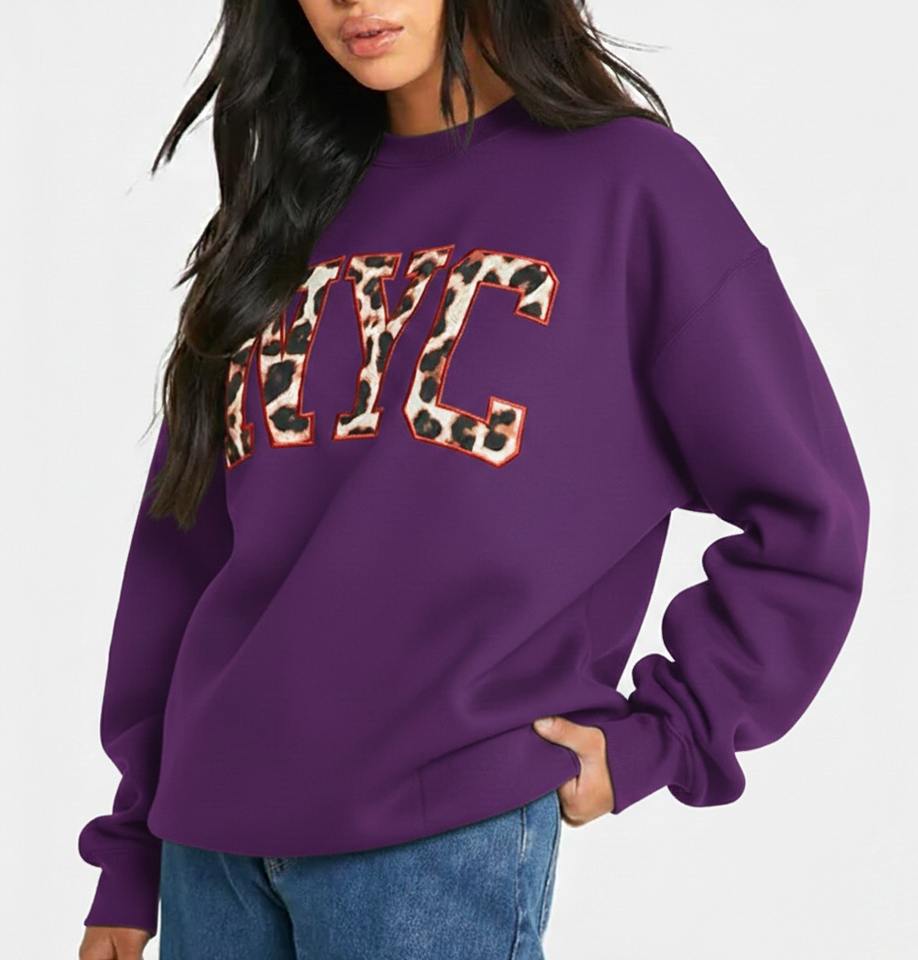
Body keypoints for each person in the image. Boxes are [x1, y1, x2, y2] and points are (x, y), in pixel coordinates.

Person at [76, 1, 871, 958]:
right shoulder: (279, 216)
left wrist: (666, 734)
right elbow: (181, 555)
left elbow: (807, 513)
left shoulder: (629, 187)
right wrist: (131, 849)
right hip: (209, 853)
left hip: (434, 842)